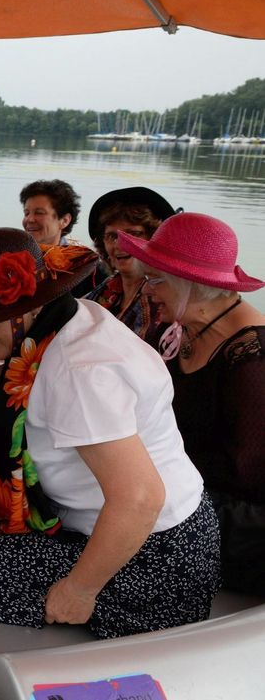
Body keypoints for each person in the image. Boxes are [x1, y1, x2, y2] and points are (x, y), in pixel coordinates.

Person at [0, 228, 219, 638]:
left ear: (22, 310)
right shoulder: (74, 320)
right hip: (167, 531)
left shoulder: (79, 372)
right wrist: (13, 377)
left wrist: (80, 589)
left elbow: (140, 499)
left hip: (155, 556)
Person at [119, 212, 265, 596]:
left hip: (236, 520)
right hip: (181, 489)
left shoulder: (253, 355)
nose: (146, 290)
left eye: (156, 280)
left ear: (192, 286)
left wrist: (144, 466)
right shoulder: (177, 331)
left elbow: (245, 472)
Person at [84, 187, 177, 346]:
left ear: (154, 238)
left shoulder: (170, 299)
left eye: (133, 235)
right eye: (112, 236)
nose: (120, 245)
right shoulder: (105, 289)